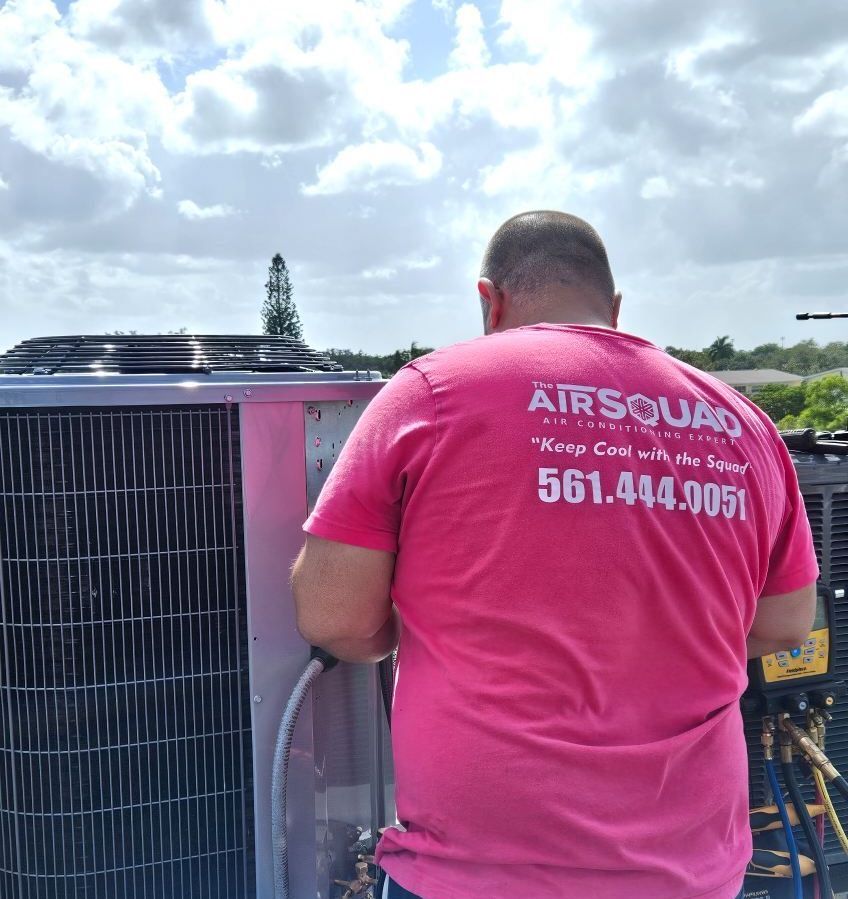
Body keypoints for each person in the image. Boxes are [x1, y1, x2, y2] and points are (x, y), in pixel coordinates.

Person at [291, 211, 818, 899]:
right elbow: (784, 625)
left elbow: (332, 616)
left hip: (477, 874)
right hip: (688, 873)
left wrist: (424, 624)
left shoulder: (431, 393)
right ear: (616, 310)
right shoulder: (743, 422)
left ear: (491, 300)